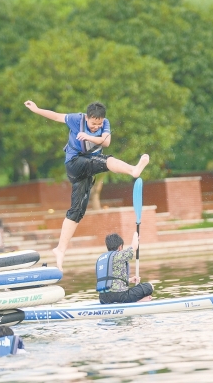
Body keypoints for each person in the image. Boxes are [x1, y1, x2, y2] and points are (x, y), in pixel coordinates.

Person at [24, 100, 150, 272]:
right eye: (93, 124)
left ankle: (60, 250)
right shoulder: (77, 119)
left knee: (77, 211)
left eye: (99, 124)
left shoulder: (105, 124)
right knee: (105, 160)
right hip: (75, 164)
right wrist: (37, 109)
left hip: (86, 172)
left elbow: (106, 142)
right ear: (87, 118)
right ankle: (133, 170)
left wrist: (89, 137)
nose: (96, 126)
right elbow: (57, 116)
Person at [96, 232, 154, 304]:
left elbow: (110, 278)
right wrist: (135, 235)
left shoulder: (101, 258)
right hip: (120, 296)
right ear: (120, 247)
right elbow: (134, 247)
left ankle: (133, 300)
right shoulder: (119, 255)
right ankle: (138, 300)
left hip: (103, 298)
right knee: (149, 286)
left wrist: (129, 280)